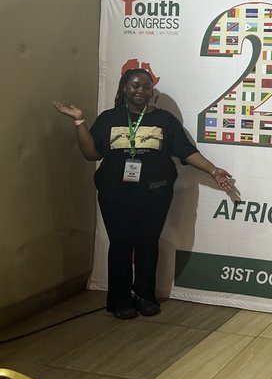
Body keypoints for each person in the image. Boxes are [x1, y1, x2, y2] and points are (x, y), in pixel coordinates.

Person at [53, 67, 235, 319]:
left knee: (148, 244)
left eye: (146, 87)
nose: (141, 91)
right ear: (124, 88)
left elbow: (186, 152)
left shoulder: (165, 120)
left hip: (155, 194)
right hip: (115, 195)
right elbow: (92, 154)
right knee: (121, 245)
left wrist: (213, 171)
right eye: (135, 86)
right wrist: (79, 120)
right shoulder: (109, 118)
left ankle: (145, 295)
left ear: (152, 92)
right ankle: (119, 299)